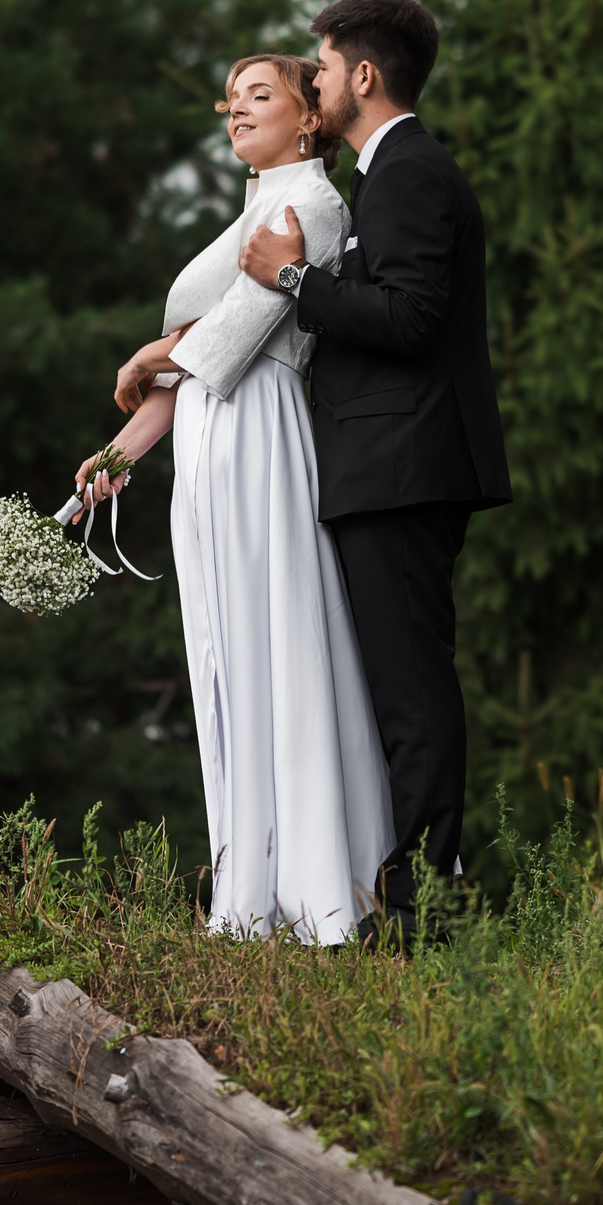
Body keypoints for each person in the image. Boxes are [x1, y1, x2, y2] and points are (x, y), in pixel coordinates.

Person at [77, 55, 393, 945]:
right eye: (231, 101)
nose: (237, 112)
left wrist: (151, 352)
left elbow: (237, 340)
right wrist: (119, 452)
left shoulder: (316, 205)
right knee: (223, 645)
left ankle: (317, 885)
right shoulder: (254, 208)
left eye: (262, 95)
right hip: (215, 433)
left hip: (259, 433)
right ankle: (245, 880)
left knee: (273, 634)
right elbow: (200, 358)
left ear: (308, 121)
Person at [238, 0, 512, 939]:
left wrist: (293, 280)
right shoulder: (384, 178)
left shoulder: (409, 175)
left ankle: (423, 897)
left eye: (318, 65)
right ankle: (406, 878)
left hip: (405, 465)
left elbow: (409, 318)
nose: (311, 81)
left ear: (363, 74)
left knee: (410, 684)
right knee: (397, 680)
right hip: (389, 465)